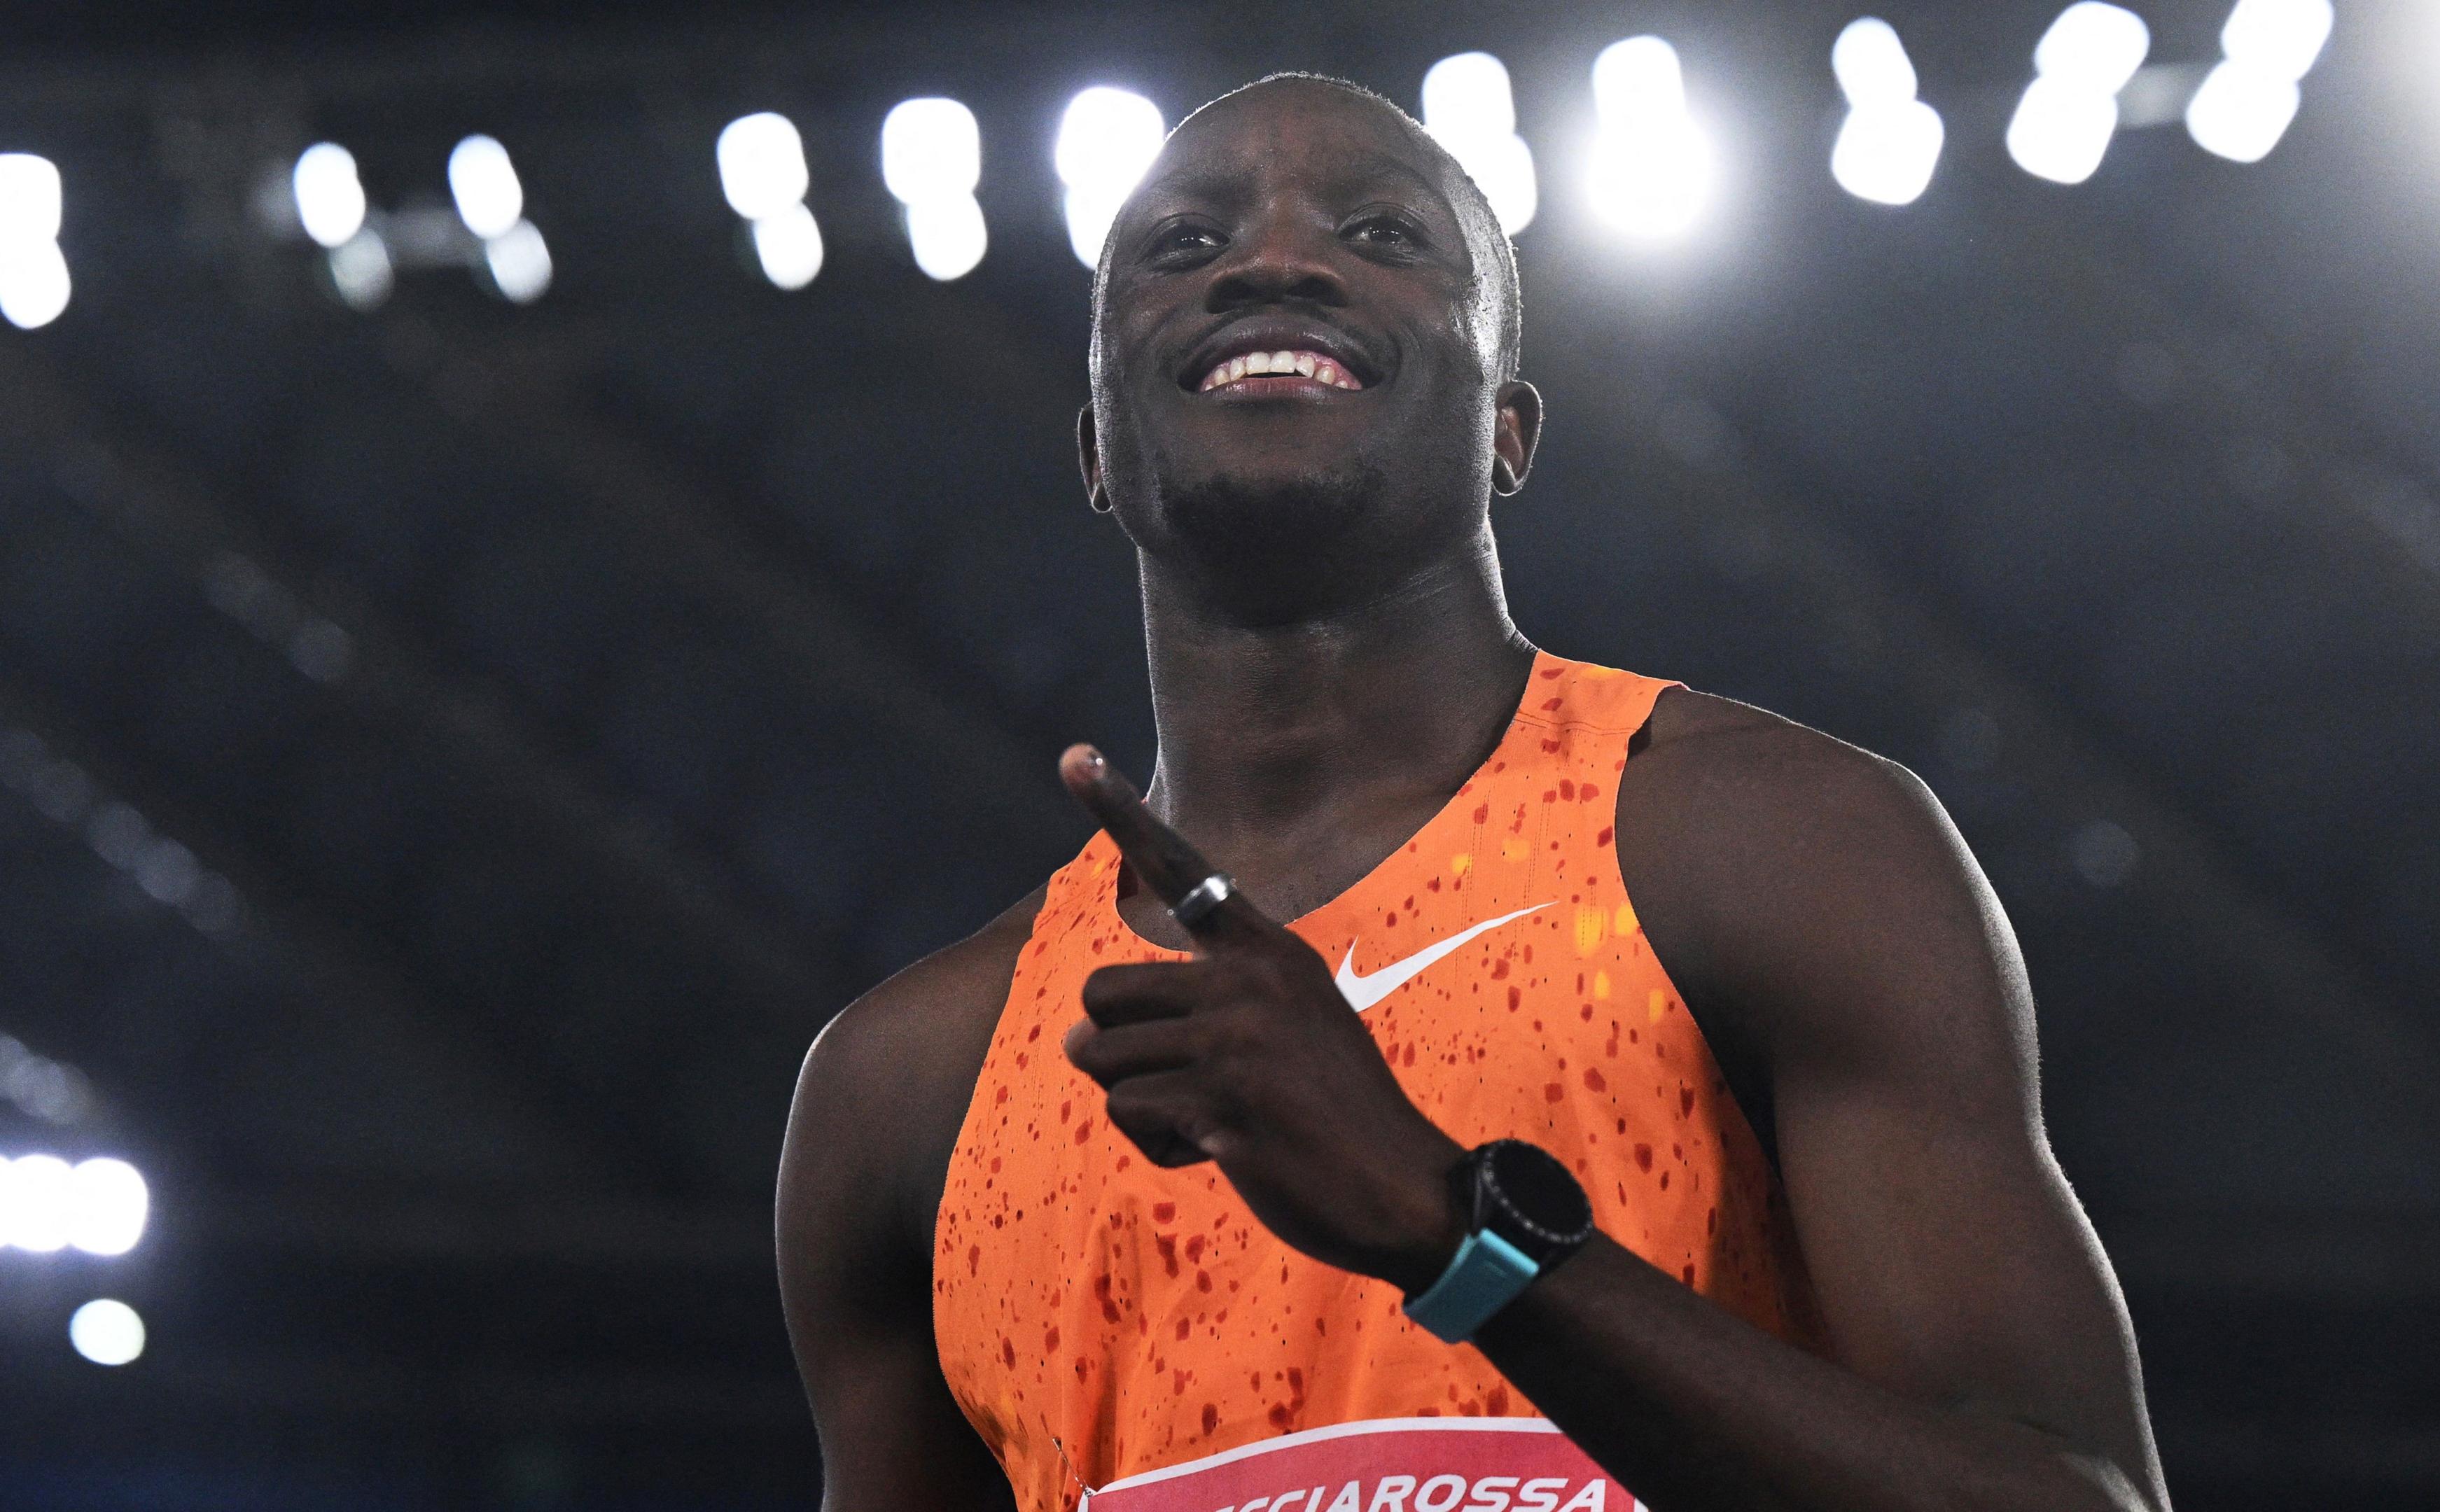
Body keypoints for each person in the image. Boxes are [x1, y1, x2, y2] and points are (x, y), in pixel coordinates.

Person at [778, 73, 2169, 1512]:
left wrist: (1463, 1236)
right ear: (1093, 448)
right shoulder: (909, 1083)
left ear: (1509, 435)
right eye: (1183, 249)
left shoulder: (1764, 848)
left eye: (1383, 233)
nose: (1271, 259)